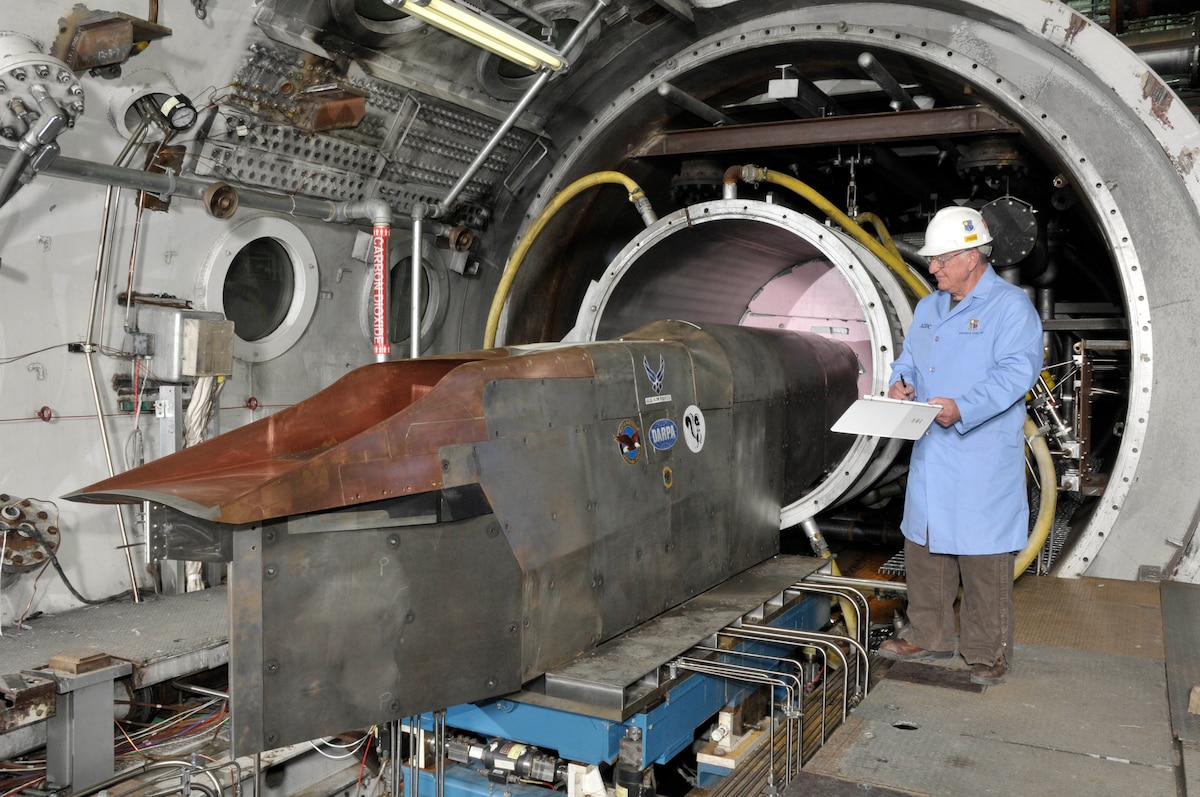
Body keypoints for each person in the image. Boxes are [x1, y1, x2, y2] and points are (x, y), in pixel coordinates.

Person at [877, 205, 1043, 686]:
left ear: (972, 256)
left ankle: (986, 651)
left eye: (942, 259)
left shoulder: (1011, 308)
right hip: (932, 449)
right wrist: (898, 384)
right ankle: (930, 634)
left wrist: (963, 407)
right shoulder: (929, 307)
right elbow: (908, 360)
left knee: (983, 556)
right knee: (924, 547)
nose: (933, 268)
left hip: (979, 453)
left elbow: (1016, 374)